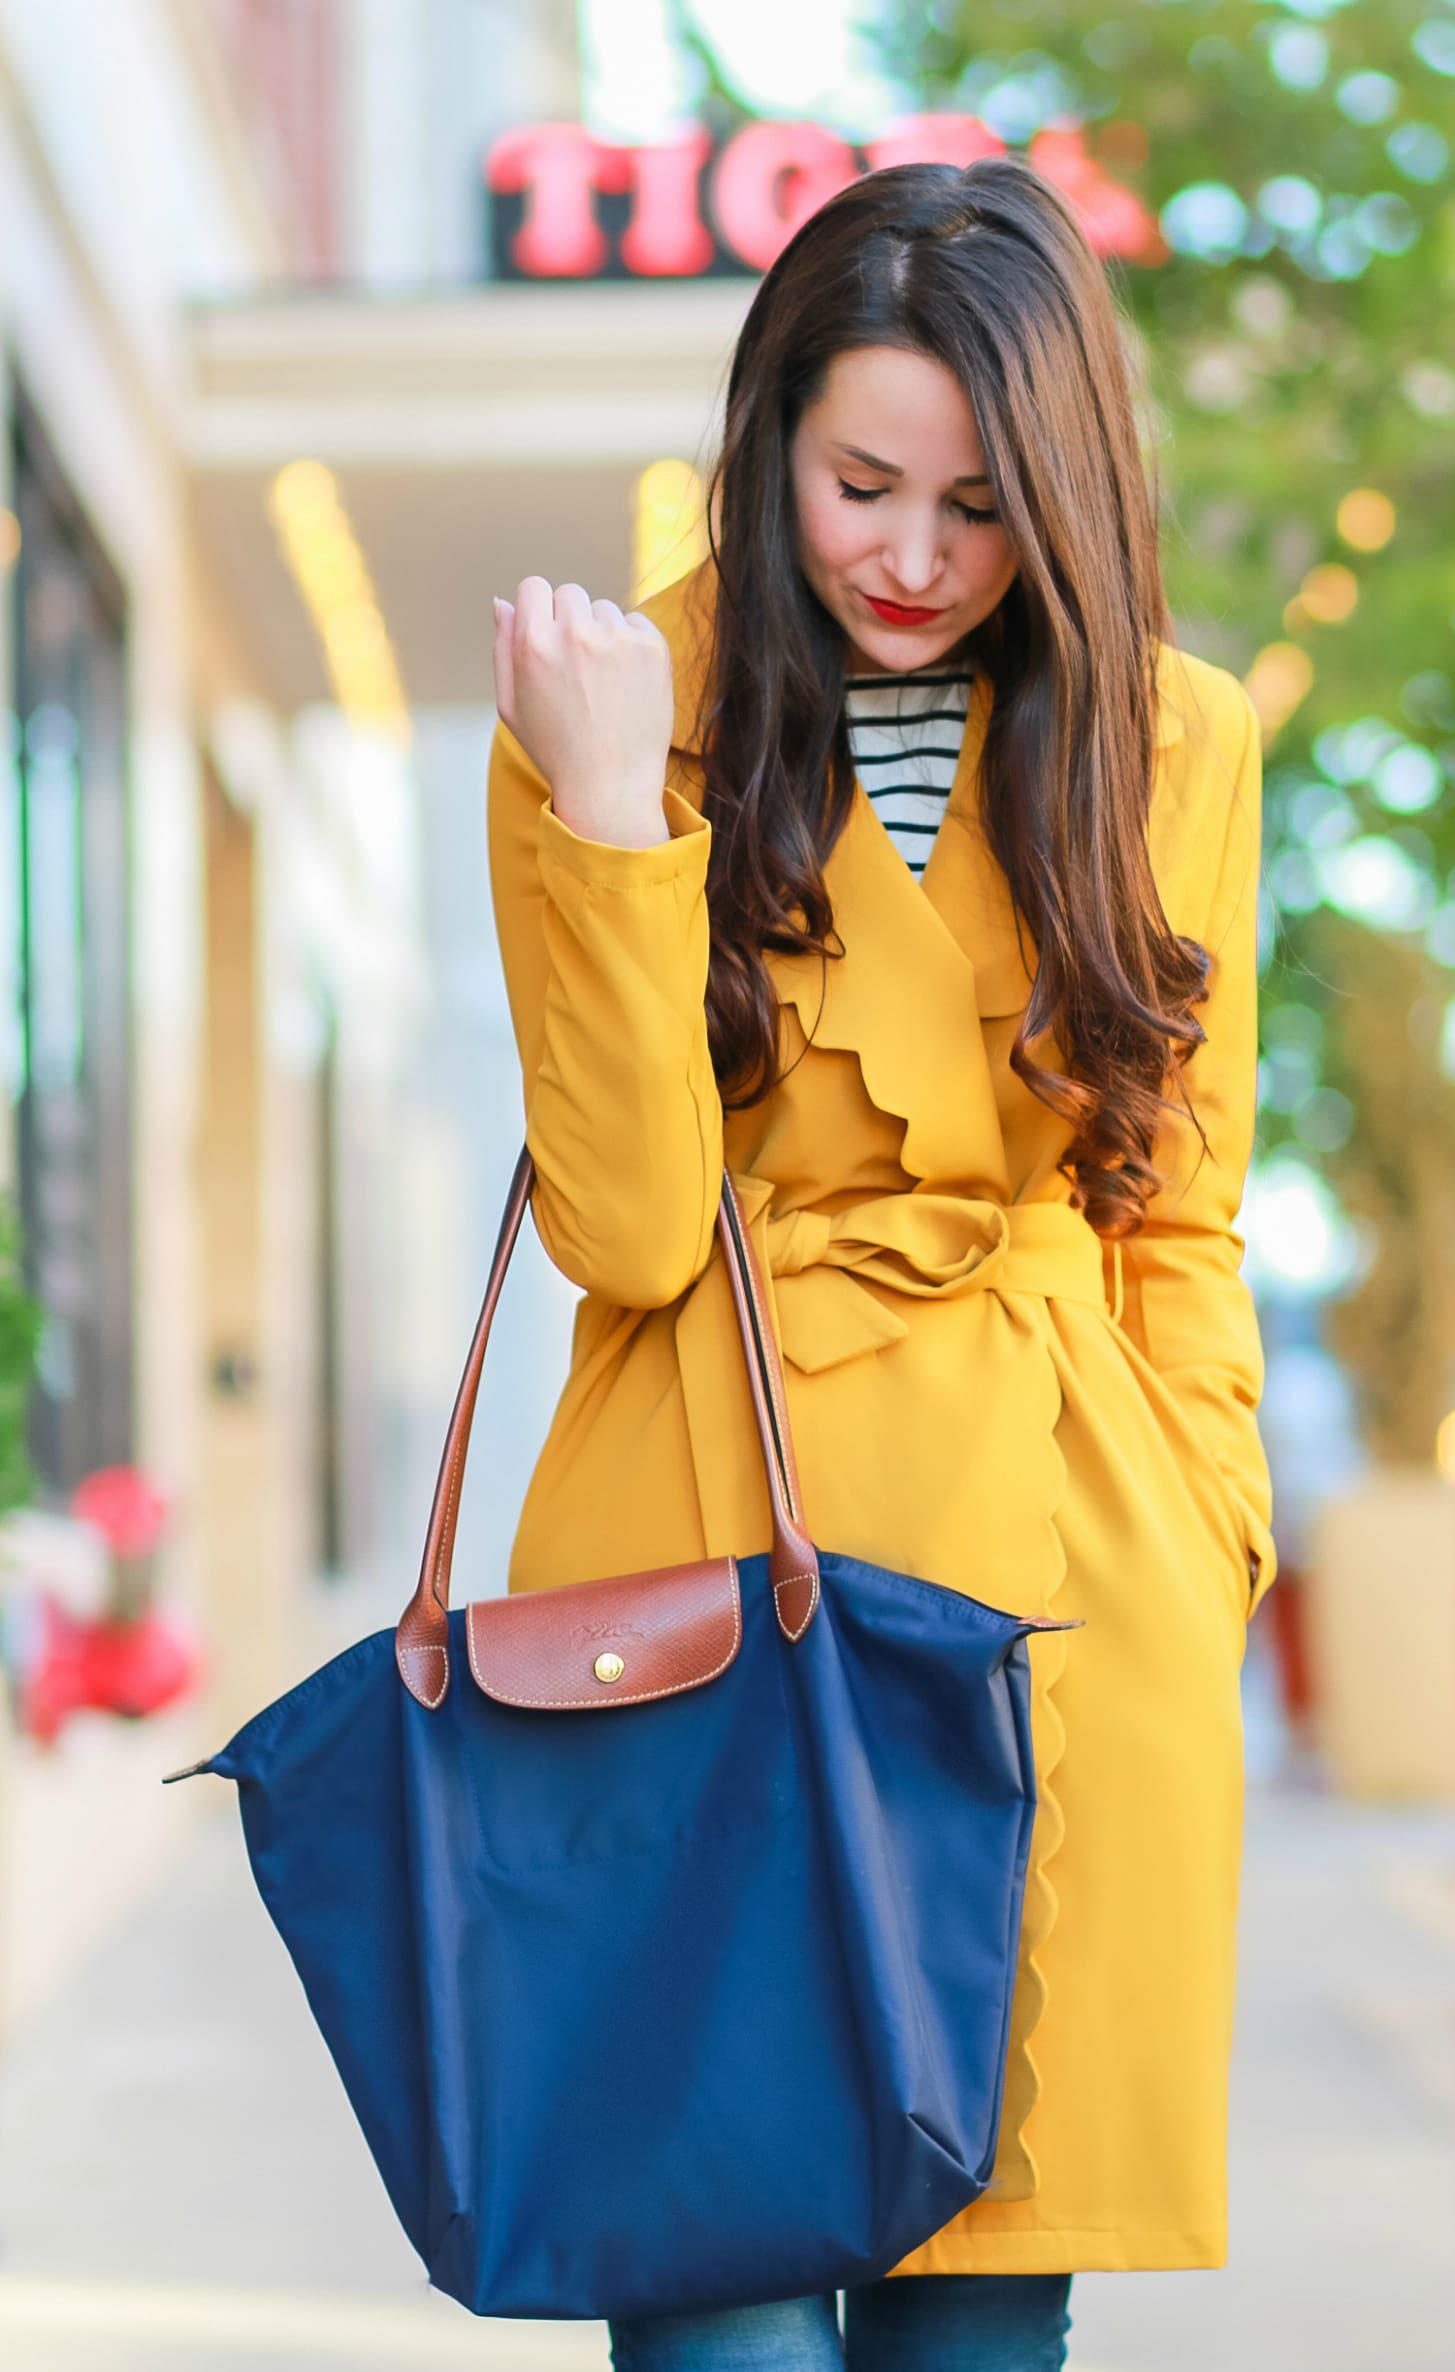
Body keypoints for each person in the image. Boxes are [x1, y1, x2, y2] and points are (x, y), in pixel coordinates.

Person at [486, 156, 1275, 2372]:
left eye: (980, 505)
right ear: (770, 444)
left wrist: (1208, 1533)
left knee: (976, 2327)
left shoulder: (1173, 735)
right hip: (708, 1577)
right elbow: (628, 1228)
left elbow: (1182, 1209)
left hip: (1054, 1605)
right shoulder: (616, 703)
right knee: (714, 2307)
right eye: (858, 483)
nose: (912, 562)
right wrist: (608, 819)